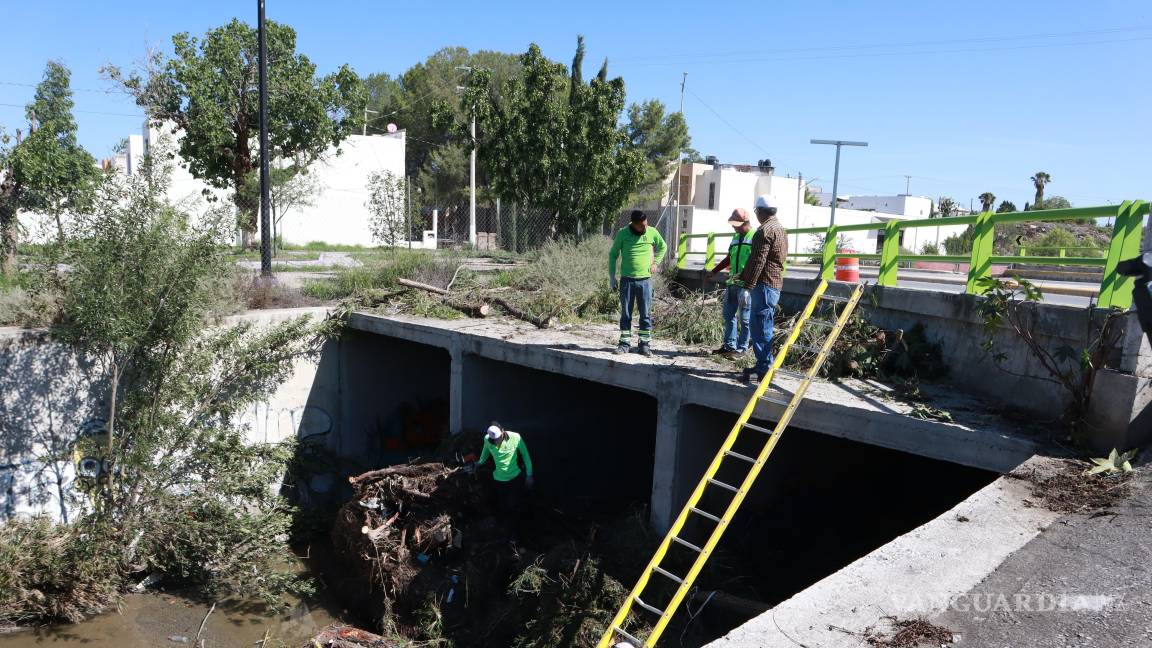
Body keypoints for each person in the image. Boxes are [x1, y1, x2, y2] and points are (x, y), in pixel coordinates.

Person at [738, 195, 788, 386]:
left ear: (760, 212)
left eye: (756, 211)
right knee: (764, 324)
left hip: (764, 285)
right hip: (774, 284)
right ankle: (764, 364)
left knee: (760, 327)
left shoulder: (764, 231)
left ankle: (764, 368)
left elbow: (758, 261)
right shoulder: (780, 230)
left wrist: (747, 287)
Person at [608, 210, 668, 357]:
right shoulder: (623, 233)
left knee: (645, 314)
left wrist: (655, 263)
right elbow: (613, 254)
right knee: (626, 314)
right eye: (642, 226)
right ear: (634, 224)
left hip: (645, 281)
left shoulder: (652, 232)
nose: (645, 227)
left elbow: (663, 247)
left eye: (646, 224)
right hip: (627, 280)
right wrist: (612, 277)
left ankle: (645, 345)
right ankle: (624, 344)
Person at [705, 208, 756, 358]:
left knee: (745, 319)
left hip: (746, 285)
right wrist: (714, 271)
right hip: (732, 283)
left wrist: (750, 283)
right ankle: (729, 346)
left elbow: (757, 261)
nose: (733, 227)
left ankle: (742, 349)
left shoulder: (755, 236)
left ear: (745, 223)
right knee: (729, 316)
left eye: (736, 224)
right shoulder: (735, 237)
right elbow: (729, 258)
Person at [476, 422, 534, 534]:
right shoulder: (488, 439)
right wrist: (478, 463)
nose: (496, 442)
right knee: (503, 507)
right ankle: (505, 532)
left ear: (502, 431)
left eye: (498, 439)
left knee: (513, 506)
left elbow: (526, 456)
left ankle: (515, 534)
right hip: (499, 480)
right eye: (494, 440)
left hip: (514, 478)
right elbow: (484, 455)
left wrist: (529, 475)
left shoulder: (515, 437)